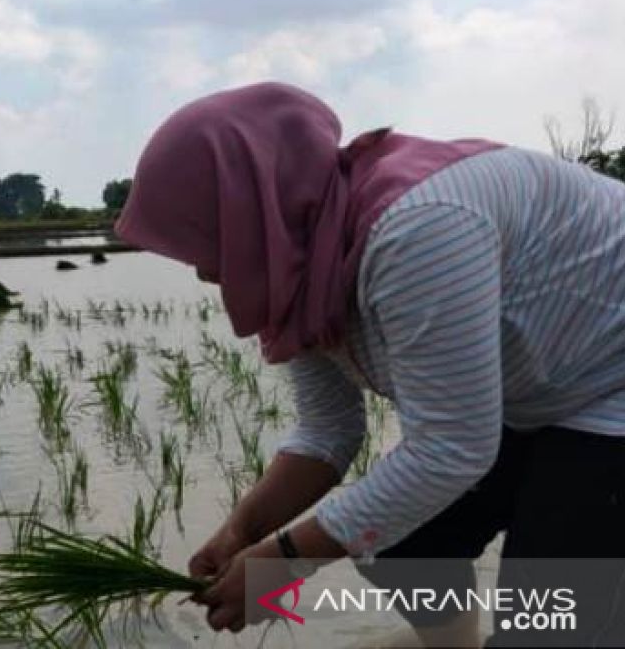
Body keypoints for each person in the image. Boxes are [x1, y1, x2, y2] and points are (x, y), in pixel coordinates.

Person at [114, 82, 625, 647]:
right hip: (541, 385)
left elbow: (452, 449)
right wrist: (245, 531)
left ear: (249, 208)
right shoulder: (301, 262)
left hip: (612, 378)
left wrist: (284, 560)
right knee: (403, 546)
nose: (206, 272)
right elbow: (327, 432)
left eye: (204, 240)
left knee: (554, 615)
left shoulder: (418, 230)